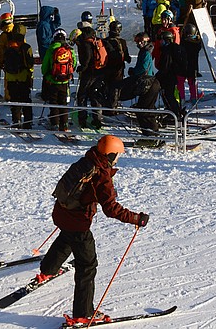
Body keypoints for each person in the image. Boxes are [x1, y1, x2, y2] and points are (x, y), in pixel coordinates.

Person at [37, 135, 150, 327]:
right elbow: (111, 208)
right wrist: (135, 218)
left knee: (66, 237)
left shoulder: (87, 160)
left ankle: (48, 269)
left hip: (61, 213)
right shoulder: (101, 175)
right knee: (87, 264)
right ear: (111, 154)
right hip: (77, 222)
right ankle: (83, 314)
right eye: (118, 155)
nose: (118, 159)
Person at [0, 12, 35, 128]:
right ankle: (28, 121)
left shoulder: (4, 37)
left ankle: (16, 121)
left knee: (14, 97)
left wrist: (1, 63)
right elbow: (29, 61)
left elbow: (0, 52)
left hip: (11, 73)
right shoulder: (24, 44)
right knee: (26, 98)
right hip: (24, 75)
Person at [41, 29, 76, 131]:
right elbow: (73, 64)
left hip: (53, 80)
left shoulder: (51, 49)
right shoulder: (69, 49)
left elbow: (45, 67)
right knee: (63, 102)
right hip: (65, 81)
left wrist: (47, 75)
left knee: (54, 102)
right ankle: (64, 123)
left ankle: (54, 123)